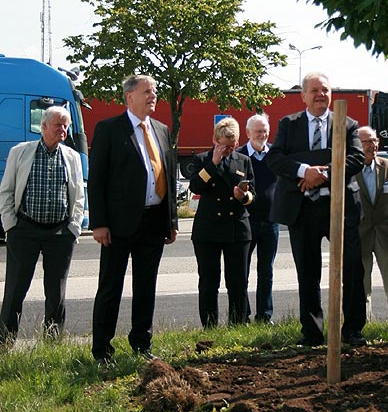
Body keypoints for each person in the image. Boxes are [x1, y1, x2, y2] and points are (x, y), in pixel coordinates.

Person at [267, 72, 366, 347]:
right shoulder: (289, 124)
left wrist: (323, 172)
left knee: (353, 270)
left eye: (325, 89)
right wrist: (303, 170)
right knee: (308, 272)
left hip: (342, 207)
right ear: (303, 95)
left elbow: (357, 158)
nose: (320, 94)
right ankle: (312, 333)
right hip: (304, 209)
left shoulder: (347, 124)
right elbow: (275, 158)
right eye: (314, 90)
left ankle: (353, 330)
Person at [89, 75, 178, 363]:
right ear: (129, 97)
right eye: (147, 92)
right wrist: (99, 222)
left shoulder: (162, 130)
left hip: (154, 222)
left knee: (146, 286)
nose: (153, 96)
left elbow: (169, 178)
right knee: (111, 286)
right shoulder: (109, 129)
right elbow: (97, 179)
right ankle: (102, 349)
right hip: (118, 224)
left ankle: (142, 344)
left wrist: (171, 220)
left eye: (155, 92)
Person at [0, 106, 84, 345]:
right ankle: (4, 343)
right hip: (24, 230)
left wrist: (73, 228)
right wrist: (11, 226)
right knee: (15, 289)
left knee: (56, 292)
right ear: (43, 127)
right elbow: (5, 191)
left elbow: (78, 196)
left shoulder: (72, 157)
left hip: (59, 233)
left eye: (66, 125)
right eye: (58, 124)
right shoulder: (21, 152)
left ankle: (52, 344)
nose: (63, 129)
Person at [189, 117, 255, 327]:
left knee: (238, 282)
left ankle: (237, 324)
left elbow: (253, 193)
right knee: (209, 282)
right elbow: (196, 187)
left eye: (232, 145)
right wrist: (214, 163)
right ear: (215, 140)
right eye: (224, 145)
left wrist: (242, 196)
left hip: (237, 227)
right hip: (208, 229)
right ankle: (210, 326)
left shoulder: (243, 160)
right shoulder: (202, 159)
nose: (228, 149)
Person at [356, 126, 388, 321]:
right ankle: (363, 323)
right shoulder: (349, 169)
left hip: (386, 232)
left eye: (375, 141)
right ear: (357, 145)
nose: (374, 145)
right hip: (360, 235)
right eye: (368, 142)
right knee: (362, 284)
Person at [237, 114, 279, 323]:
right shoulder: (239, 156)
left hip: (271, 221)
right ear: (248, 133)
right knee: (241, 271)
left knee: (267, 272)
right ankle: (242, 315)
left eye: (265, 131)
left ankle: (264, 315)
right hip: (246, 221)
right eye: (258, 132)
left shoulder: (275, 156)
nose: (262, 135)